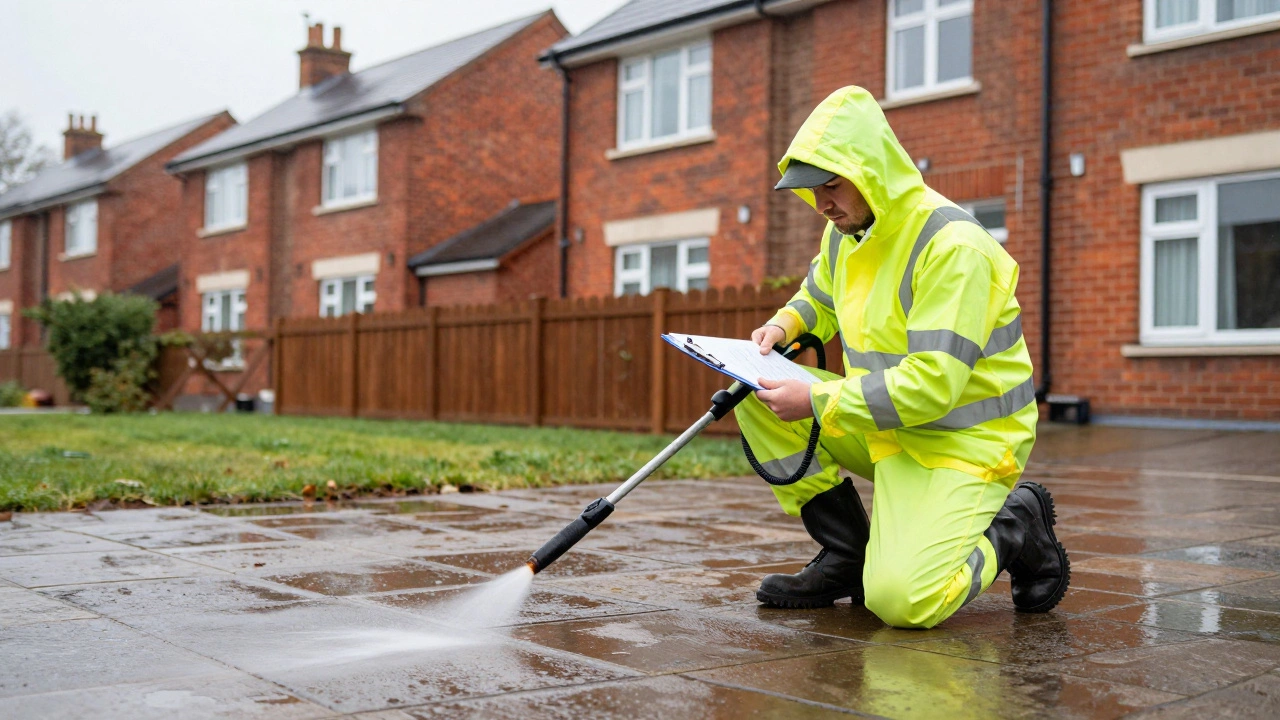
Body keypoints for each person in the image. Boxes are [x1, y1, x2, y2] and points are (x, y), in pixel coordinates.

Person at [739, 86, 1068, 629]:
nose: (821, 204)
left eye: (830, 186)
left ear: (871, 171)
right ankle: (848, 555)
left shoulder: (952, 246)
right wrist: (784, 324)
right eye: (812, 190)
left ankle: (1015, 526)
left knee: (904, 602)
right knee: (756, 393)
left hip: (965, 442)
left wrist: (817, 400)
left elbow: (932, 385)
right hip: (891, 426)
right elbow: (821, 295)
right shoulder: (848, 233)